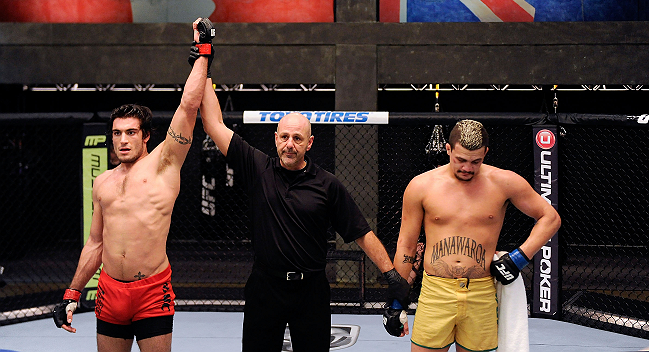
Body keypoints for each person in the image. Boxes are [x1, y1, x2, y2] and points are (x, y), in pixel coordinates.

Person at [197, 75, 409, 351]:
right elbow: (213, 124)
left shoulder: (327, 184)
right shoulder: (258, 168)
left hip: (310, 291)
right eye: (284, 137)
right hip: (265, 287)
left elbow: (361, 231)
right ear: (275, 139)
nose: (289, 144)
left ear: (309, 144)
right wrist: (204, 65)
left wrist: (391, 275)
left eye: (297, 138)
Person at [51, 18, 213, 352]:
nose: (122, 141)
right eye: (117, 133)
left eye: (131, 132)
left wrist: (203, 53)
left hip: (152, 291)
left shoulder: (164, 164)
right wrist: (73, 291)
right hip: (110, 292)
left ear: (146, 136)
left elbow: (188, 106)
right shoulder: (103, 182)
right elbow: (95, 243)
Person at [390, 119, 561, 351]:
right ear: (448, 149)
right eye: (460, 160)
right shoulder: (421, 186)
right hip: (436, 292)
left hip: (481, 292)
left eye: (476, 161)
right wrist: (396, 301)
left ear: (486, 154)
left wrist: (519, 258)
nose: (467, 168)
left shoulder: (504, 182)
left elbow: (550, 218)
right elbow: (406, 246)